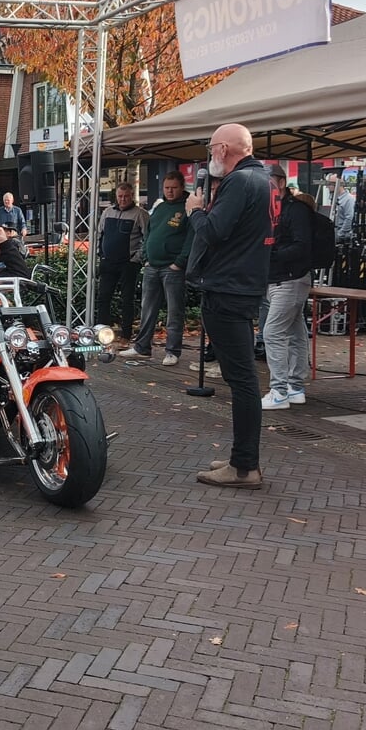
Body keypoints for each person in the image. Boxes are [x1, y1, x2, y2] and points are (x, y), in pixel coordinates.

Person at [188, 123, 273, 490]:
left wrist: (195, 211)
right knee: (241, 380)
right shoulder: (263, 180)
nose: (210, 156)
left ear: (223, 149)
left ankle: (244, 466)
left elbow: (213, 231)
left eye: (211, 149)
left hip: (228, 290)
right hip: (241, 286)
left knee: (241, 381)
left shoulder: (239, 182)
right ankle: (243, 458)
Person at [259, 167, 317, 409]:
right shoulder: (271, 209)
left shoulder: (295, 210)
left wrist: (273, 254)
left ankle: (280, 390)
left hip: (290, 278)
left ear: (280, 183)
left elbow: (302, 244)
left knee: (272, 332)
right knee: (294, 331)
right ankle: (294, 387)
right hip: (280, 278)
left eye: (269, 182)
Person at [123, 170, 191, 366]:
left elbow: (191, 239)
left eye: (173, 188)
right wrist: (146, 257)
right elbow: (148, 234)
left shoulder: (187, 208)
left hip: (173, 268)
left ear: (181, 188)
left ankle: (172, 351)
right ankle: (142, 347)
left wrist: (179, 262)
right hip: (153, 266)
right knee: (147, 309)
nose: (169, 191)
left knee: (174, 311)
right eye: (166, 188)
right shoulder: (159, 209)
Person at [94, 182, 149, 343]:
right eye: (120, 196)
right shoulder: (107, 212)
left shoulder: (141, 214)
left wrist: (136, 259)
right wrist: (100, 253)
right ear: (116, 196)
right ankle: (101, 334)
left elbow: (147, 239)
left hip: (128, 264)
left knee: (127, 300)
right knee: (103, 298)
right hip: (108, 262)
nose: (123, 199)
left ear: (132, 196)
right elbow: (99, 234)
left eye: (126, 196)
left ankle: (126, 335)